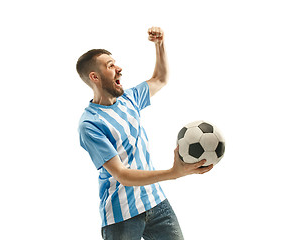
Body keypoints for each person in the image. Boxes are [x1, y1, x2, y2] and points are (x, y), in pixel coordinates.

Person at [77, 27, 213, 240]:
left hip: (155, 201)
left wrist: (159, 45)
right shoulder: (90, 124)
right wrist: (174, 172)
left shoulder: (130, 99)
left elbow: (160, 78)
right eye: (110, 66)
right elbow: (122, 174)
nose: (119, 68)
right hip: (122, 214)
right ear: (94, 76)